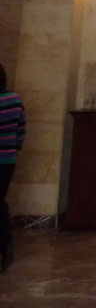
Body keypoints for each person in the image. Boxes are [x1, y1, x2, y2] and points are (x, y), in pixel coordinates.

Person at [0, 65, 25, 272]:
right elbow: (21, 130)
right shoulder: (14, 100)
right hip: (7, 160)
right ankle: (6, 247)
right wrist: (13, 147)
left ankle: (6, 246)